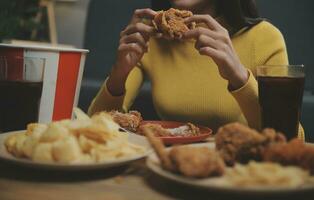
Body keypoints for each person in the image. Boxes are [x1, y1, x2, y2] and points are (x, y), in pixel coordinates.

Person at [88, 0, 304, 139]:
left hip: (242, 172)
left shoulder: (265, 38)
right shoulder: (149, 38)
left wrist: (239, 77)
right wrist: (119, 71)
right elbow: (95, 126)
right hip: (168, 167)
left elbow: (292, 139)